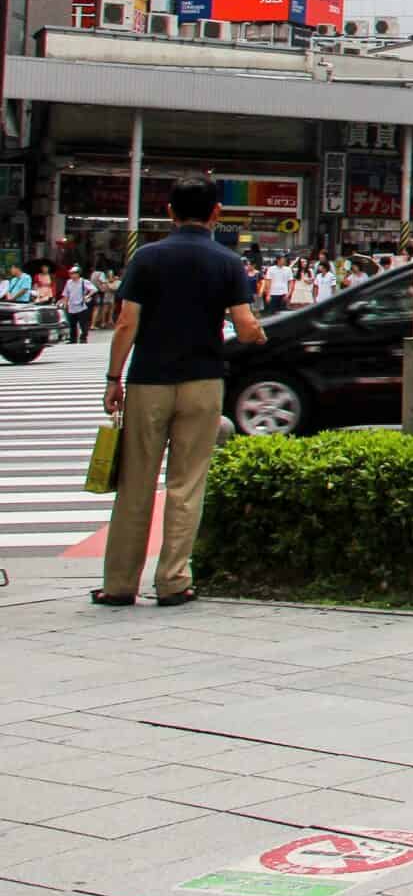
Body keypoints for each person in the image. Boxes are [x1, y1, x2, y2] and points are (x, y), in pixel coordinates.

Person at [96, 177, 267, 608]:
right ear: (216, 215)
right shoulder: (228, 262)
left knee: (135, 482)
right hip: (203, 382)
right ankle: (173, 581)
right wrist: (260, 336)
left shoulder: (147, 258)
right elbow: (246, 327)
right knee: (187, 484)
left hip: (149, 380)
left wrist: (114, 379)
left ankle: (119, 584)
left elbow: (125, 324)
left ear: (170, 212)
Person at [61, 262, 94, 344]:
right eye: (71, 274)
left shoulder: (84, 282)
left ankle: (83, 337)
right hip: (71, 306)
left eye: (74, 273)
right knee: (72, 324)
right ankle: (73, 339)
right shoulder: (68, 282)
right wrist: (65, 303)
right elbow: (66, 293)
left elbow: (94, 289)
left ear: (78, 274)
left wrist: (87, 296)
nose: (72, 275)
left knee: (83, 324)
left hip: (81, 306)